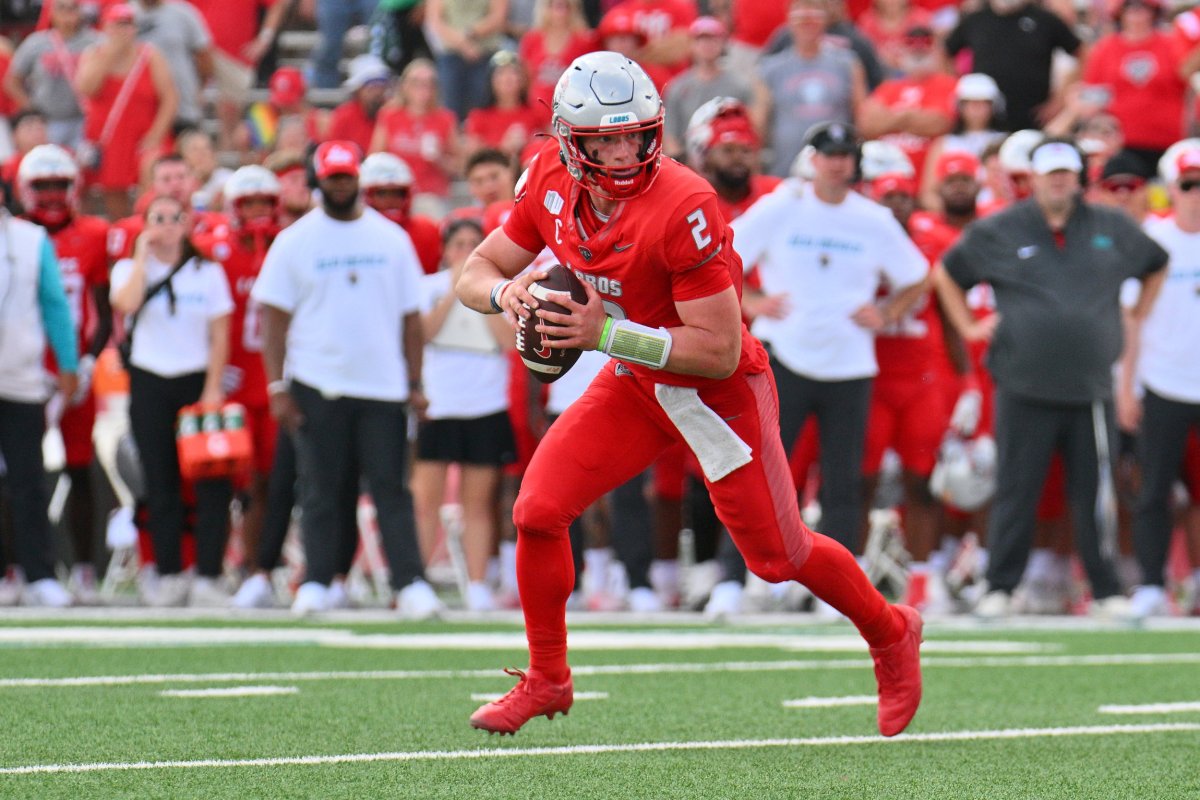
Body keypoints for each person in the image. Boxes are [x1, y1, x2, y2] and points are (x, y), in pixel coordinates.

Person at [456, 51, 923, 736]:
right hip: (638, 381)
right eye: (604, 140)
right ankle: (548, 678)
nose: (622, 153)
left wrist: (604, 334)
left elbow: (718, 350)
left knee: (776, 558)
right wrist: (509, 293)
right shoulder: (549, 180)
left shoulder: (683, 204)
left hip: (716, 394)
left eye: (635, 135)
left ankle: (890, 631)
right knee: (538, 510)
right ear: (567, 141)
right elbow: (477, 268)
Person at [933, 138, 1169, 618]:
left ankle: (1104, 592)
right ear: (1034, 178)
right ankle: (1000, 586)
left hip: (1090, 387)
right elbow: (947, 274)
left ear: (1079, 177)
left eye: (1067, 172)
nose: (1059, 180)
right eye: (1050, 172)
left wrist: (1137, 314)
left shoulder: (1111, 226)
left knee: (1095, 495)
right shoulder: (1001, 228)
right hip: (1022, 382)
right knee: (1017, 489)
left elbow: (1156, 264)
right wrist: (969, 326)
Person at [253, 140, 442, 618]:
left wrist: (416, 383)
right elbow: (273, 318)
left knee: (390, 489)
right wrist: (277, 386)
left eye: (347, 175)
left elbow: (410, 319)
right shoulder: (295, 240)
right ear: (319, 179)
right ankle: (315, 580)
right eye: (332, 176)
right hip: (317, 381)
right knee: (319, 489)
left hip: (383, 386)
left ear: (358, 177)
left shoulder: (390, 239)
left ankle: (410, 582)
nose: (340, 184)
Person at [731, 122, 929, 555]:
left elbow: (916, 275)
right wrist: (752, 301)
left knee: (844, 479)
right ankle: (748, 571)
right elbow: (725, 253)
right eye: (829, 155)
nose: (838, 164)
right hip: (784, 353)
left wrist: (889, 311)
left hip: (850, 360)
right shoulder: (782, 205)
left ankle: (837, 584)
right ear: (812, 159)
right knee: (765, 469)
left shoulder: (872, 219)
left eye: (845, 156)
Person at [109, 193, 234, 607]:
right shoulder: (129, 269)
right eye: (156, 218)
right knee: (159, 481)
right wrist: (144, 257)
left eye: (173, 218)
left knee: (212, 481)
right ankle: (168, 573)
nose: (165, 225)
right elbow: (124, 305)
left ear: (187, 224)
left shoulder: (207, 272)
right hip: (149, 380)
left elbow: (220, 332)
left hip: (195, 381)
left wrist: (214, 387)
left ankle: (209, 574)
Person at [17, 144, 112, 604]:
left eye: (60, 185)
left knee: (79, 466)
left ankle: (85, 570)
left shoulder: (93, 234)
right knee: (19, 470)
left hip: (74, 371)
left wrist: (88, 362)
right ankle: (16, 567)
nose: (53, 194)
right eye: (43, 186)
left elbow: (102, 309)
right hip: (22, 370)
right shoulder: (14, 236)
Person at [412, 218, 516, 611]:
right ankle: (417, 580)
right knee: (426, 501)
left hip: (485, 405)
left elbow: (509, 342)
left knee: (477, 502)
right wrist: (455, 288)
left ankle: (476, 584)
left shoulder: (500, 291)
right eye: (459, 244)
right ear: (445, 250)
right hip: (438, 407)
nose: (466, 250)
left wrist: (481, 293)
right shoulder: (428, 286)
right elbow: (424, 333)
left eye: (475, 244)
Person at [1121, 147, 1200, 617]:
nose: (1195, 194)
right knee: (1153, 490)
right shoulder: (1153, 241)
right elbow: (1132, 318)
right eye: (1188, 184)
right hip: (1163, 381)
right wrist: (1126, 385)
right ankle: (1152, 583)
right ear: (1170, 189)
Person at [0, 185, 79, 607]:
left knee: (29, 482)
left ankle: (39, 574)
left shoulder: (32, 240)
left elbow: (54, 305)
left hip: (22, 381)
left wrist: (67, 362)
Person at [75, 3, 177, 219]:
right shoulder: (94, 54)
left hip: (144, 136)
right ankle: (122, 231)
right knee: (113, 192)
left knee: (151, 179)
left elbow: (170, 97)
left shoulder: (149, 55)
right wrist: (110, 54)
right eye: (118, 24)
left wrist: (156, 135)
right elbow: (86, 88)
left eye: (128, 24)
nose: (124, 30)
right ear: (106, 27)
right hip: (110, 138)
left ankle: (145, 223)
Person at [755, 0, 867, 177]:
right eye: (800, 10)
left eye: (813, 9)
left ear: (825, 18)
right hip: (784, 173)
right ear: (789, 18)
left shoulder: (847, 63)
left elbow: (863, 119)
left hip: (835, 174)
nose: (807, 18)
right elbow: (758, 127)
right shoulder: (770, 68)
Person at [1081, 0, 1192, 174]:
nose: (1136, 12)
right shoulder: (1104, 48)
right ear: (1119, 12)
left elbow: (1190, 86)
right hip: (1120, 146)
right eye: (1130, 7)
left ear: (1154, 11)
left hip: (1168, 140)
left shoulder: (1172, 44)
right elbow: (1093, 99)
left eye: (1143, 6)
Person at [943, 0, 1081, 132]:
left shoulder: (1044, 19)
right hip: (986, 123)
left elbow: (1082, 52)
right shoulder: (975, 19)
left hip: (1033, 118)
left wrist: (1059, 100)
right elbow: (945, 51)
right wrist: (961, 87)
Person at [4, 0, 101, 152]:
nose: (68, 12)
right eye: (62, 7)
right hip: (49, 121)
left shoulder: (97, 41)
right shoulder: (36, 42)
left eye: (73, 7)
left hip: (84, 120)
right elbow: (11, 81)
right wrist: (30, 107)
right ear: (52, 13)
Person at [661, 16, 761, 160]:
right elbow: (670, 135)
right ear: (692, 45)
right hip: (689, 164)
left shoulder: (740, 85)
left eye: (713, 39)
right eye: (701, 39)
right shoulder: (677, 87)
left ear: (723, 44)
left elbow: (752, 131)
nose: (706, 45)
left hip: (729, 165)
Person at [370, 58, 461, 213]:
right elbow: (374, 158)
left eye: (429, 83)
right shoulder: (389, 116)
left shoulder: (445, 118)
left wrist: (439, 158)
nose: (423, 89)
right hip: (395, 194)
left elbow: (459, 167)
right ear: (404, 86)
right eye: (416, 83)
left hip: (431, 195)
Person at [131, 0, 214, 130]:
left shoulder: (183, 13)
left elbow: (204, 55)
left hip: (183, 108)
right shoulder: (125, 15)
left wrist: (199, 88)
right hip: (141, 111)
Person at [425, 0, 510, 122]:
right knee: (451, 106)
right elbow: (435, 21)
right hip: (451, 54)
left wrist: (470, 33)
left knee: (483, 104)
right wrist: (463, 44)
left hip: (485, 53)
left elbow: (498, 16)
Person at [360, 152, 444, 274]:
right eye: (382, 193)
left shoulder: (427, 230)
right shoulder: (355, 232)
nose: (391, 200)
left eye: (398, 193)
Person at [517, 0, 595, 124]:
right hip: (536, 114)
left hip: (571, 115)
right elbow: (525, 81)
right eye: (553, 5)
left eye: (565, 6)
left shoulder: (585, 41)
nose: (559, 11)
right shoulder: (531, 39)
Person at [463, 51, 546, 161]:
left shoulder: (537, 113)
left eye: (513, 72)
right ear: (491, 81)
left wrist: (529, 143)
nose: (507, 78)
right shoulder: (478, 116)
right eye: (501, 73)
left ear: (523, 79)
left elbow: (548, 148)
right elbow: (473, 158)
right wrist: (503, 148)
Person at [327, 54, 393, 155]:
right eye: (371, 88)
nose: (377, 93)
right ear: (357, 90)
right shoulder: (344, 116)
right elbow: (334, 153)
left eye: (382, 87)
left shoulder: (392, 113)